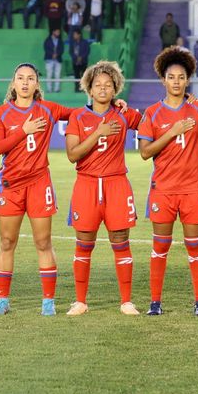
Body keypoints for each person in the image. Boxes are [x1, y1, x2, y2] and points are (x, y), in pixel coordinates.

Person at [137, 48, 198, 316]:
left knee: (195, 247)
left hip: (193, 190)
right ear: (163, 80)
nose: (176, 81)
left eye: (181, 77)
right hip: (163, 190)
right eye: (171, 77)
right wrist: (172, 132)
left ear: (188, 80)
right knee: (160, 247)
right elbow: (145, 152)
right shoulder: (152, 113)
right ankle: (155, 303)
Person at [0, 64, 77, 316]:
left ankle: (48, 302)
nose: (25, 83)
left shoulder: (48, 109)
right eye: (20, 78)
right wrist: (23, 131)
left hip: (39, 183)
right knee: (7, 242)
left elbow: (81, 113)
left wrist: (113, 104)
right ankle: (2, 301)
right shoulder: (3, 112)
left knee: (43, 242)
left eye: (30, 78)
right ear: (13, 83)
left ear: (37, 83)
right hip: (11, 185)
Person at [64, 61, 143, 316]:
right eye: (97, 84)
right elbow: (73, 155)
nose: (102, 89)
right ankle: (80, 301)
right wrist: (98, 133)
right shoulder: (78, 117)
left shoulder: (123, 114)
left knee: (121, 241)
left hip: (116, 183)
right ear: (89, 88)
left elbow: (151, 122)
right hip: (86, 185)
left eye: (108, 85)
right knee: (83, 244)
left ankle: (126, 301)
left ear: (115, 88)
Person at [43, 27, 64, 93]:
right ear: (53, 32)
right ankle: (49, 89)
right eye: (57, 32)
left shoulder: (60, 41)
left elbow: (62, 49)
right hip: (49, 59)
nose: (58, 33)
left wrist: (56, 54)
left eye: (59, 32)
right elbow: (46, 49)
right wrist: (52, 54)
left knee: (57, 74)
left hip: (58, 59)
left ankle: (56, 89)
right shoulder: (47, 40)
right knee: (49, 74)